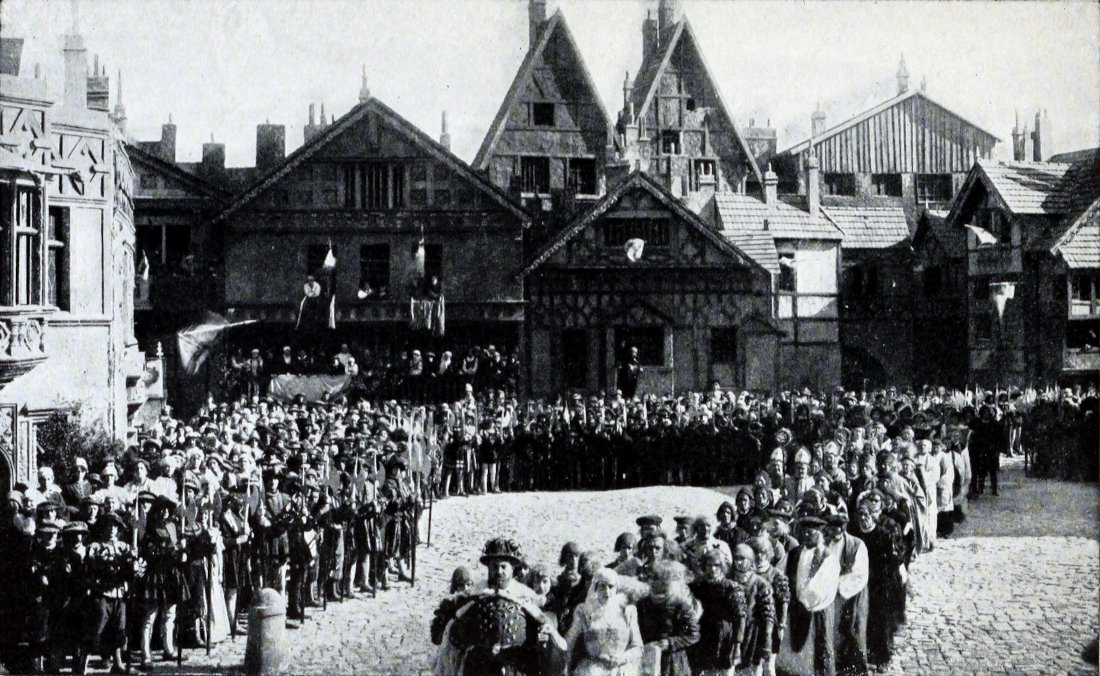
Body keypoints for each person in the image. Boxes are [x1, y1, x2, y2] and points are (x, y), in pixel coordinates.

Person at [437, 537, 563, 676]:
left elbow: (539, 634)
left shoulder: (526, 597)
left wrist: (541, 639)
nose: (499, 571)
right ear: (488, 567)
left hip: (515, 666)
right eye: (494, 567)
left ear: (512, 568)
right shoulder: (474, 595)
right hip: (480, 667)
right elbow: (455, 635)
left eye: (503, 567)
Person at [777, 516, 840, 676]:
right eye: (804, 532)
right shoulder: (794, 553)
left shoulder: (827, 556)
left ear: (820, 534)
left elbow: (825, 584)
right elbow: (780, 572)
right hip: (796, 606)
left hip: (818, 607)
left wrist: (806, 599)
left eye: (811, 532)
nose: (807, 535)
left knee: (820, 643)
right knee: (795, 644)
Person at [565, 568, 644, 676]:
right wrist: (566, 667)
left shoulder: (627, 611)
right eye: (602, 586)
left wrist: (621, 659)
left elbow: (638, 647)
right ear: (595, 588)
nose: (607, 592)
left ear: (616, 588)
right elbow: (569, 641)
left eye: (611, 586)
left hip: (621, 668)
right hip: (593, 669)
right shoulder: (584, 610)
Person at [687, 548, 747, 676]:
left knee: (725, 668)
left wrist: (738, 642)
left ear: (722, 567)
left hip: (724, 633)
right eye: (709, 565)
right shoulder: (698, 585)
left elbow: (741, 616)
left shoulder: (730, 587)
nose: (713, 569)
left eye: (716, 565)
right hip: (703, 631)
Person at [823, 513, 868, 676]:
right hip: (829, 596)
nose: (835, 533)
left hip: (851, 595)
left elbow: (860, 573)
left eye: (839, 529)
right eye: (832, 529)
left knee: (852, 630)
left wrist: (838, 584)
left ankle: (855, 669)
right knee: (831, 631)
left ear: (843, 529)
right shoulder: (825, 543)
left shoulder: (856, 545)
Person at [635, 561, 700, 676]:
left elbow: (694, 635)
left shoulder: (680, 604)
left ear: (667, 581)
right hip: (648, 659)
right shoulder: (643, 603)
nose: (651, 581)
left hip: (673, 663)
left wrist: (670, 643)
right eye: (650, 577)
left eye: (656, 578)